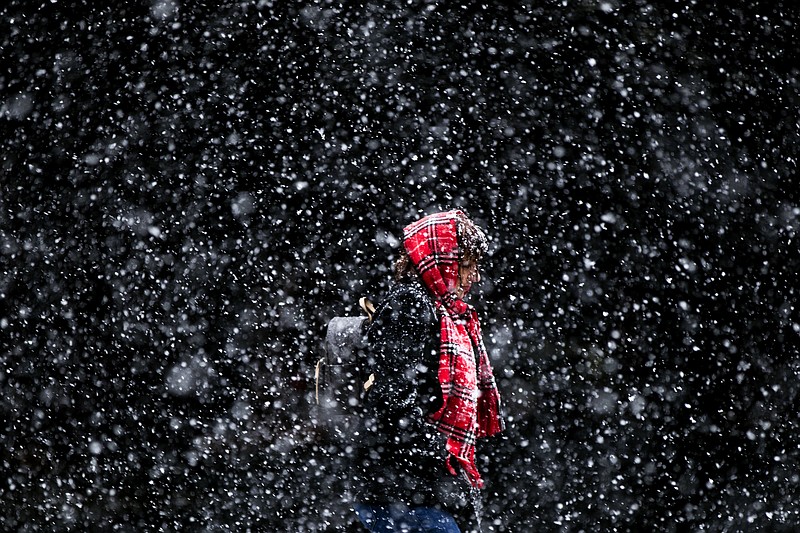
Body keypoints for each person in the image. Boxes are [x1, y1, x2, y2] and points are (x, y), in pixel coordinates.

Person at [351, 210, 504, 533]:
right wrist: (440, 458)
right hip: (405, 498)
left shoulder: (442, 311)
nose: (474, 277)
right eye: (467, 266)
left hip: (415, 494)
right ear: (441, 261)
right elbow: (392, 400)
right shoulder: (411, 304)